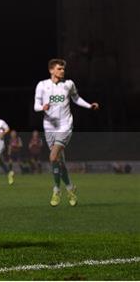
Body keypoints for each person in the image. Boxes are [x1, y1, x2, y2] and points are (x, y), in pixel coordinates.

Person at [34, 58, 99, 207]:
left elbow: (76, 99)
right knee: (59, 160)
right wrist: (42, 107)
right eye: (59, 69)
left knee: (53, 156)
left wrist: (89, 106)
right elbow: (36, 105)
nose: (62, 71)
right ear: (51, 70)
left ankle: (56, 189)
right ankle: (70, 188)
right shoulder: (42, 85)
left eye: (63, 69)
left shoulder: (68, 84)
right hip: (49, 127)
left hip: (65, 125)